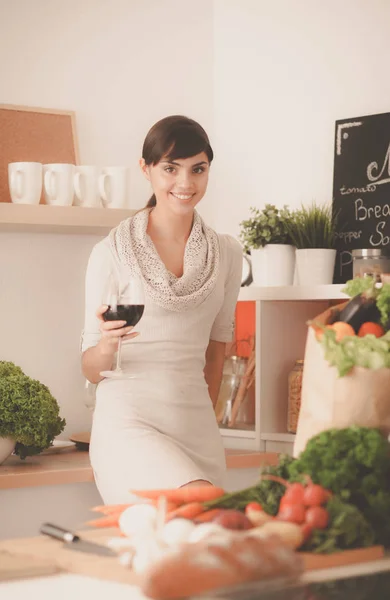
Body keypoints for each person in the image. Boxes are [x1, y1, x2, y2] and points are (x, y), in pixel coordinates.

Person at [81, 115, 243, 504]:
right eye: (170, 168)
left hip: (195, 426)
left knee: (197, 547)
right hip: (130, 421)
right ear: (147, 169)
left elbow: (217, 347)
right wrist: (107, 345)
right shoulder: (111, 253)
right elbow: (90, 368)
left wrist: (209, 417)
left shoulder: (227, 253)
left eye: (197, 169)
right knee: (201, 505)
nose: (185, 183)